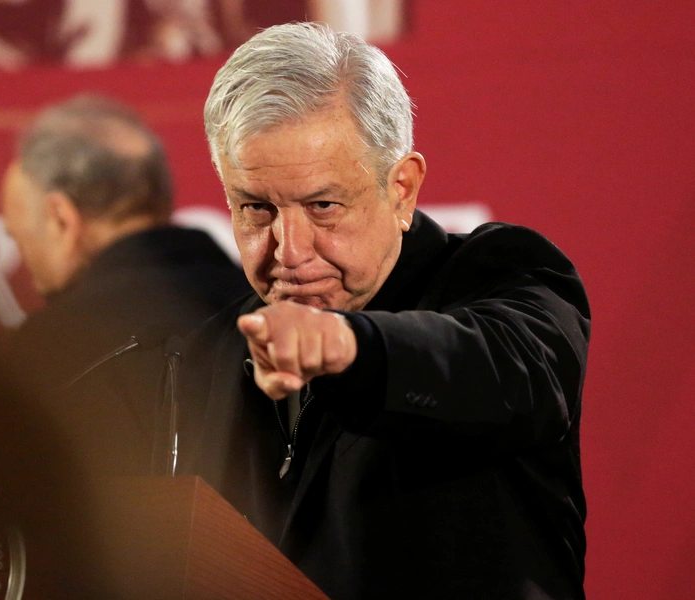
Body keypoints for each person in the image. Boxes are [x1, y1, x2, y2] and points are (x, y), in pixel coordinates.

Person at [180, 22, 590, 600]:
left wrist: (349, 346)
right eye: (256, 208)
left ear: (402, 187)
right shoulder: (215, 345)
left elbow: (506, 368)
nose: (289, 251)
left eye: (323, 206)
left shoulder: (501, 273)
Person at [1, 94, 250, 475]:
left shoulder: (48, 349)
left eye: (20, 239)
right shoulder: (262, 306)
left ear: (61, 218)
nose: (27, 267)